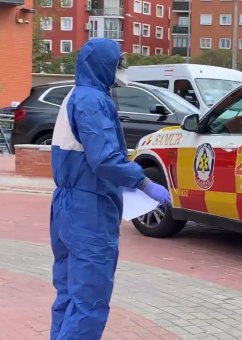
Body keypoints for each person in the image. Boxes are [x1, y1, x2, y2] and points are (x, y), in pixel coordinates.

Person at [49, 38, 172, 340]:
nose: (123, 68)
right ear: (105, 65)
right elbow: (104, 159)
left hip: (68, 207)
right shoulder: (93, 100)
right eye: (120, 62)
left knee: (68, 296)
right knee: (89, 301)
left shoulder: (75, 96)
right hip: (88, 209)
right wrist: (143, 182)